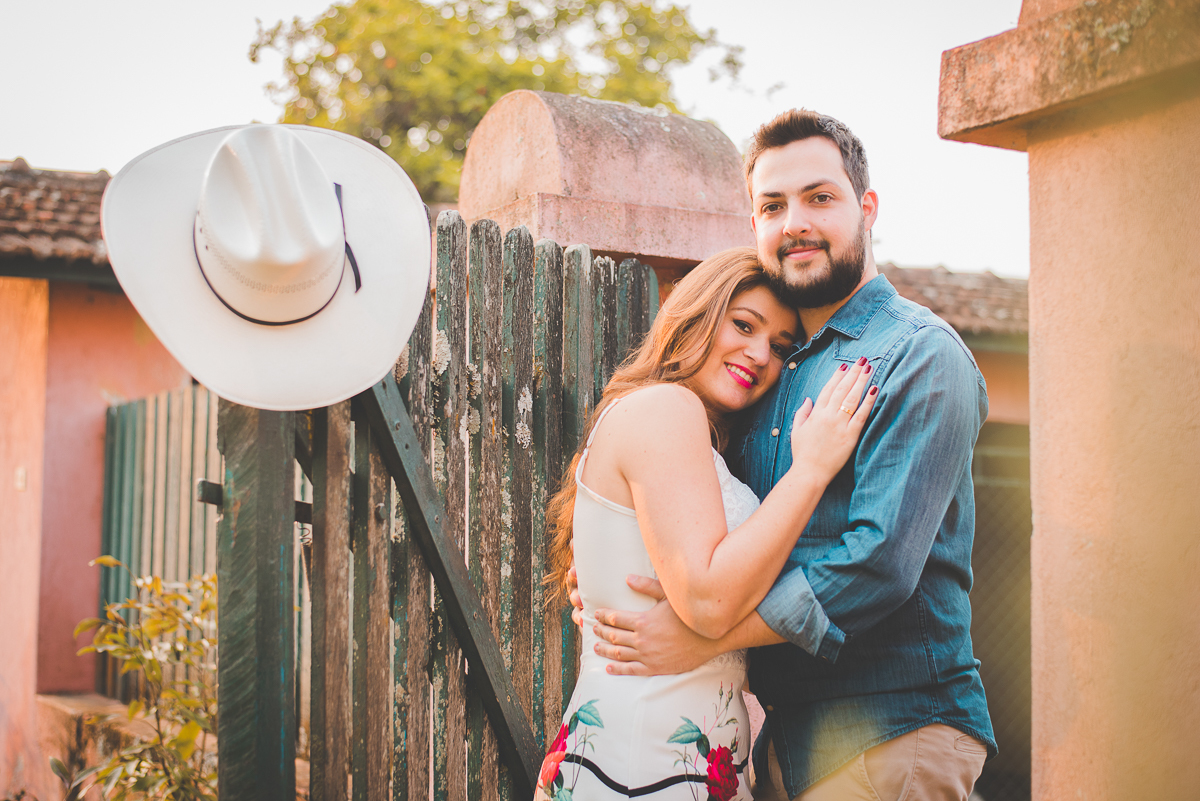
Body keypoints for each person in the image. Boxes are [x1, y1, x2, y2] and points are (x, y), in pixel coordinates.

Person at [584, 109, 997, 801]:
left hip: (894, 730)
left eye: (819, 197)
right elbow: (719, 537)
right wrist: (613, 585)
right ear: (755, 227)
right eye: (772, 205)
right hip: (780, 743)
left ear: (866, 208)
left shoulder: (919, 355)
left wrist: (704, 636)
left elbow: (878, 563)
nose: (795, 221)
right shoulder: (770, 375)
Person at [536, 247, 878, 801]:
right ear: (694, 314)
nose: (759, 354)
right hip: (639, 769)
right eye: (743, 325)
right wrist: (811, 469)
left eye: (780, 347)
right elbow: (708, 600)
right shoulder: (666, 409)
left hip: (671, 766)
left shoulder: (692, 434)